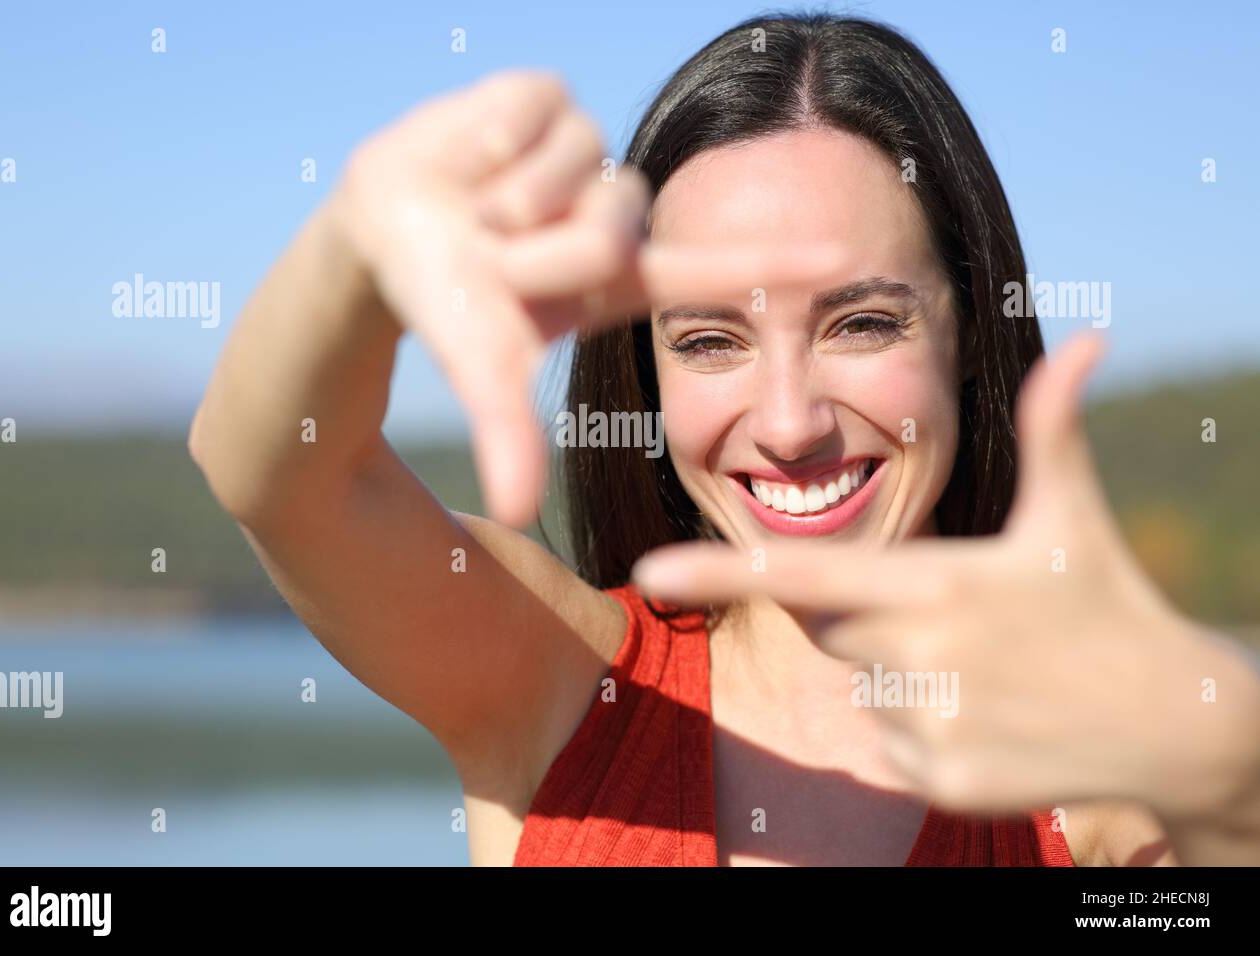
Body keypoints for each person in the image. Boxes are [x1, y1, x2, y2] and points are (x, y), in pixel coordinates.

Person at [188, 11, 1260, 865]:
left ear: (970, 332)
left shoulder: (1103, 781)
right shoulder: (563, 683)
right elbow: (273, 474)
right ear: (644, 373)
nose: (789, 422)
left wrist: (1231, 774)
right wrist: (353, 245)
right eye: (710, 340)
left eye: (863, 322)